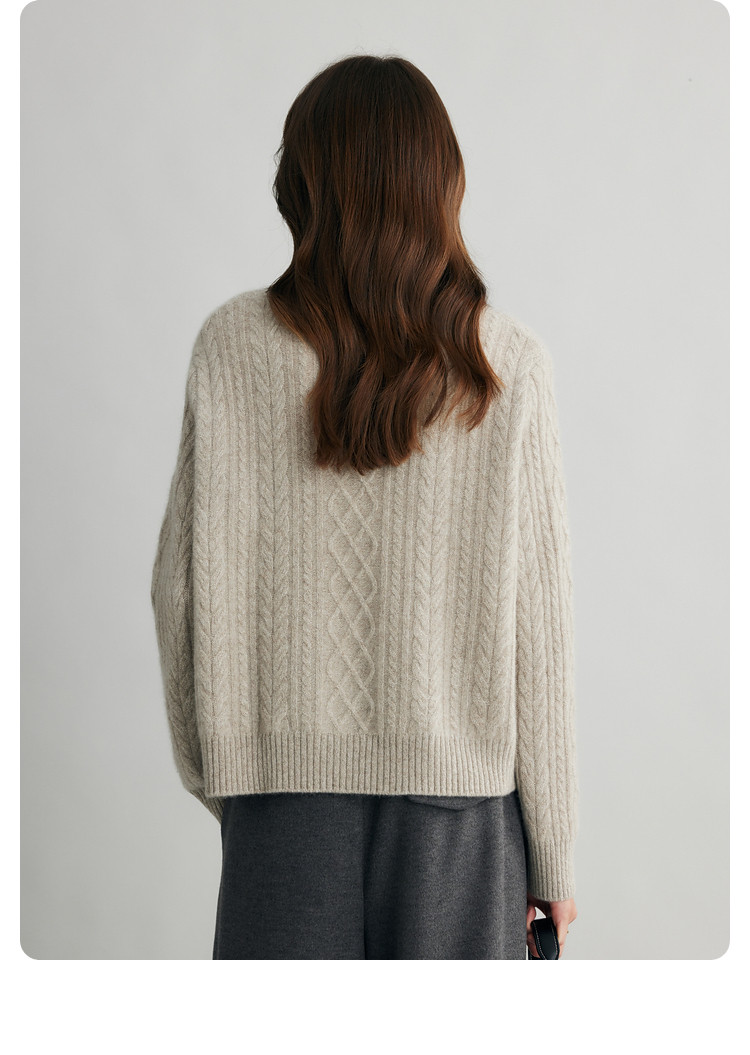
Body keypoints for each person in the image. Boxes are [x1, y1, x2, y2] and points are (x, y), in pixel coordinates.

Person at [150, 53, 579, 959]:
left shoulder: (231, 346)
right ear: (443, 184)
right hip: (460, 818)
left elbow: (177, 592)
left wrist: (231, 771)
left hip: (281, 808)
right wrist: (554, 854)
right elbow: (538, 626)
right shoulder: (508, 363)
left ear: (302, 183)